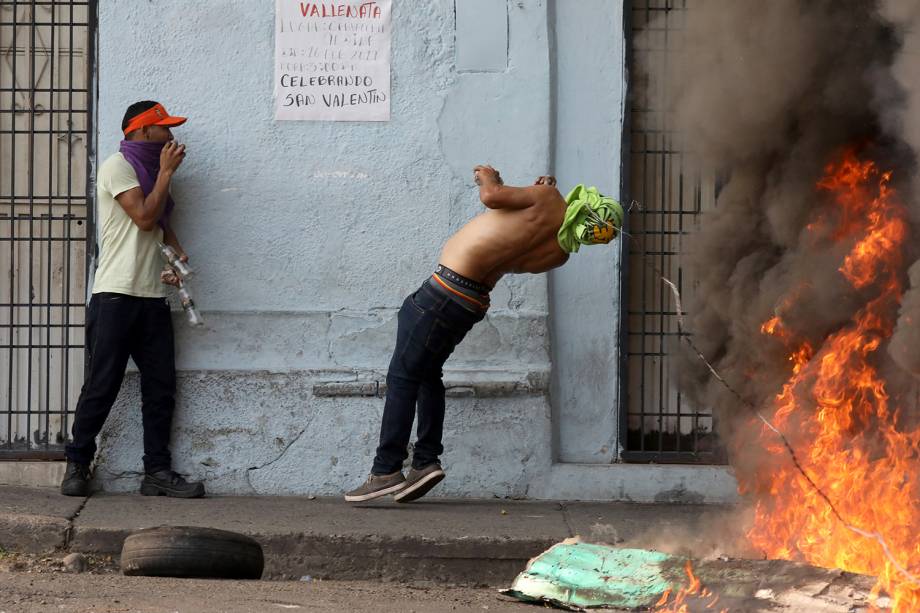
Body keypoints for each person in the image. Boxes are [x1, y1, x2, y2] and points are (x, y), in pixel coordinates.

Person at [345, 165, 623, 503]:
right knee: (427, 374)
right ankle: (425, 462)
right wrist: (537, 197)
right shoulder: (559, 254)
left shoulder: (548, 198)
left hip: (441, 294)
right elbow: (511, 252)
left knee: (403, 377)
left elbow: (492, 198)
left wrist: (491, 176)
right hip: (470, 303)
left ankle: (386, 469)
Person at [60, 101, 205, 498]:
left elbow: (157, 224)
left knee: (161, 389)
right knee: (102, 385)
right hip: (115, 297)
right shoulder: (117, 167)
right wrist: (166, 173)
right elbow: (143, 215)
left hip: (151, 295)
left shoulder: (150, 173)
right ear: (142, 131)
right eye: (165, 129)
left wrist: (174, 253)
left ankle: (156, 472)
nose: (172, 137)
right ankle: (77, 464)